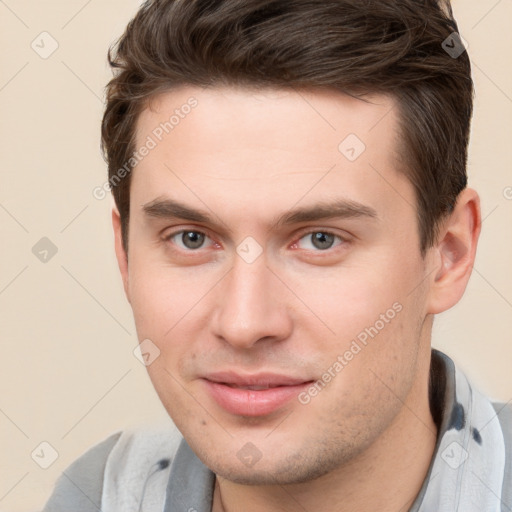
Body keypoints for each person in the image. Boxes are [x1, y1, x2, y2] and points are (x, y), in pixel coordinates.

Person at [43, 0, 512, 511]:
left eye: (320, 240)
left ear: (449, 254)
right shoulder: (93, 497)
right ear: (126, 255)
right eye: (191, 238)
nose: (245, 324)